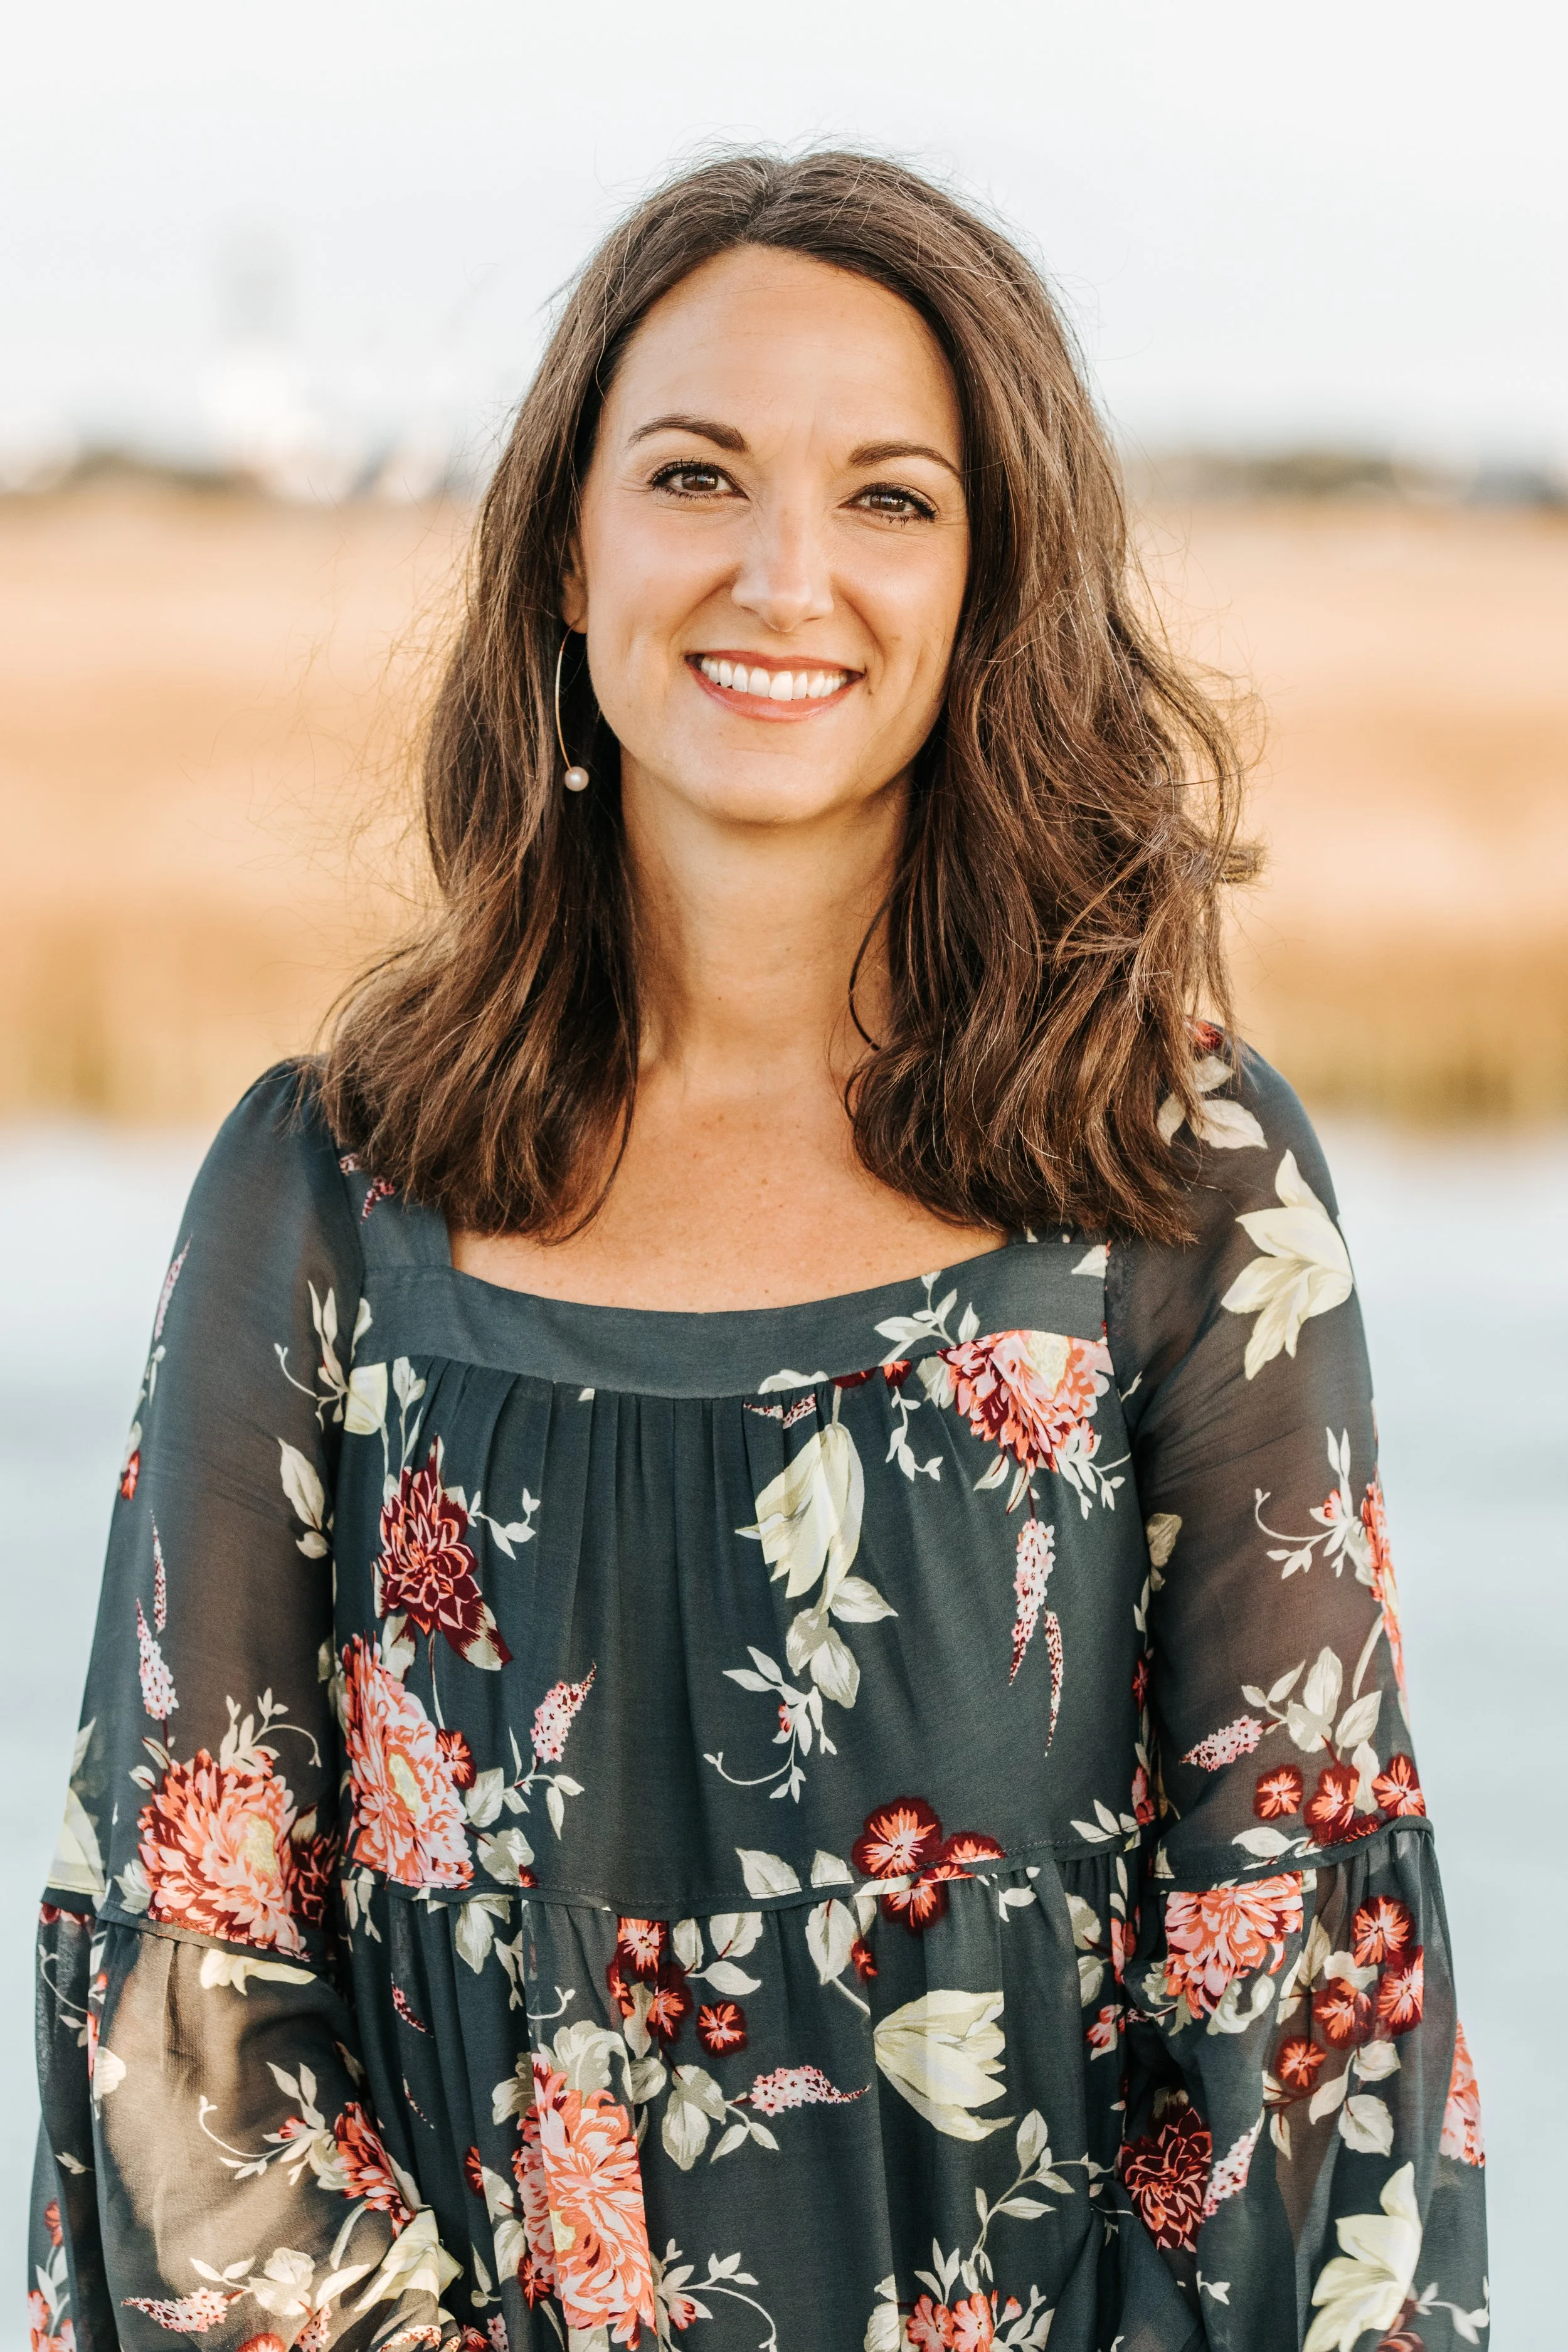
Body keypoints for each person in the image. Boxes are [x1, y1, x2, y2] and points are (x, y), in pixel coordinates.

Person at [31, 151, 1487, 2352]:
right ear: (564, 553)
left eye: (890, 498)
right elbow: (185, 2004)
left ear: (993, 584)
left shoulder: (1176, 1191)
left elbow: (1299, 2039)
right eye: (695, 472)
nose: (784, 573)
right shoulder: (327, 1194)